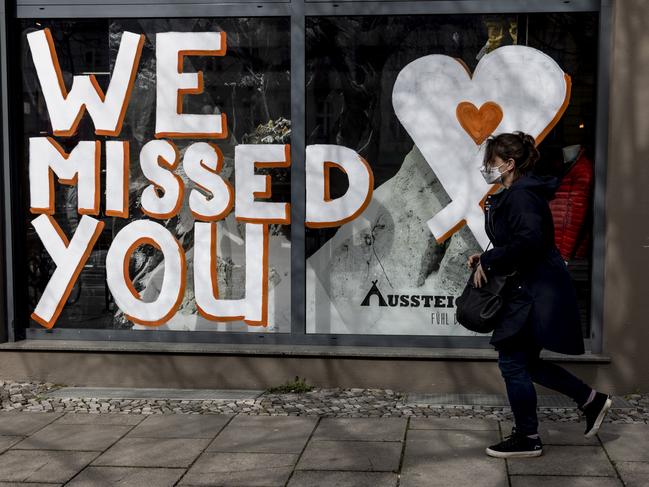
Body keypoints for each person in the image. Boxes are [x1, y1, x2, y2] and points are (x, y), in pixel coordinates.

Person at [467, 131, 612, 459]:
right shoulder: (516, 193)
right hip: (528, 289)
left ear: (509, 163)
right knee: (525, 362)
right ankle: (591, 400)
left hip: (532, 293)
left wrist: (490, 258)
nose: (486, 168)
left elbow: (530, 242)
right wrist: (486, 256)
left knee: (512, 363)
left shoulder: (522, 196)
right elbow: (518, 240)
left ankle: (528, 437)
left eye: (490, 162)